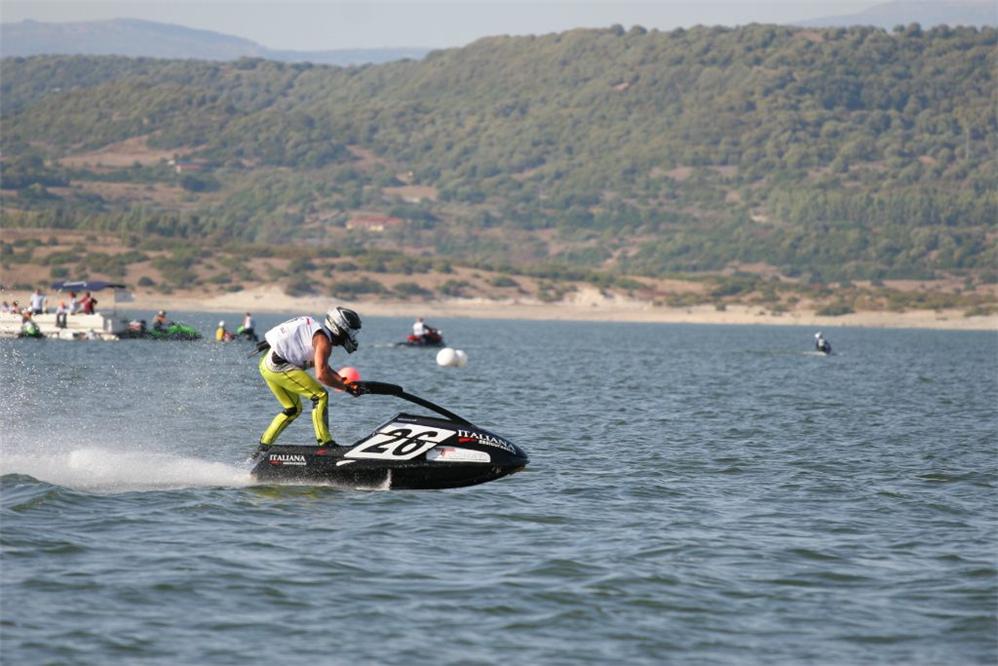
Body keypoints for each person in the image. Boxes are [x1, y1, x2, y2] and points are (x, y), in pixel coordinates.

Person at [257, 306, 362, 449]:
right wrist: (346, 388)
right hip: (276, 366)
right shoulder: (323, 342)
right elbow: (322, 375)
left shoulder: (320, 334)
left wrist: (346, 383)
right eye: (351, 332)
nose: (352, 337)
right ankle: (325, 443)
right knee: (320, 396)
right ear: (340, 328)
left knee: (292, 409)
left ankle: (263, 448)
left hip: (265, 362)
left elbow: (324, 368)